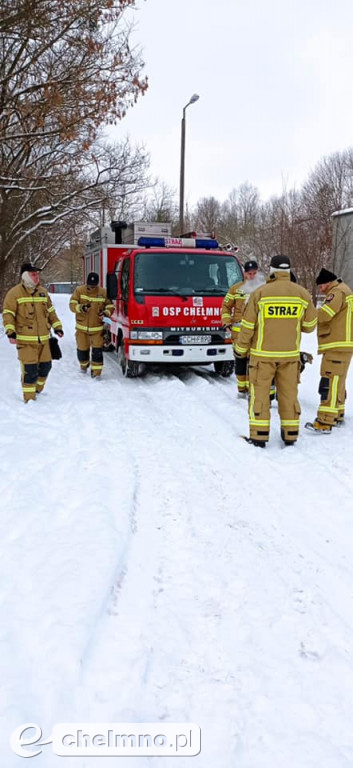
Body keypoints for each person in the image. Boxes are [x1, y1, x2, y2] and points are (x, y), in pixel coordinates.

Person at [235, 254, 317, 448]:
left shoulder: (260, 293)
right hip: (289, 356)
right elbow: (310, 325)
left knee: (260, 394)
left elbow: (247, 326)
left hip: (262, 357)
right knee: (288, 395)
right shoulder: (302, 294)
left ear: (271, 270)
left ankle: (259, 435)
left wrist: (240, 349)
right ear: (288, 270)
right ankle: (290, 434)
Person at [2, 262, 63, 402]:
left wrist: (57, 326)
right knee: (30, 370)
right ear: (26, 276)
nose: (37, 277)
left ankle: (38, 389)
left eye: (37, 274)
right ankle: (29, 400)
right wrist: (10, 331)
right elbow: (8, 314)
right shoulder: (14, 293)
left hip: (44, 340)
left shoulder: (43, 292)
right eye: (33, 274)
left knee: (46, 367)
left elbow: (51, 311)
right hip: (26, 342)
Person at [305, 267, 353, 433]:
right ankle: (337, 414)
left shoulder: (337, 292)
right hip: (343, 345)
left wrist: (309, 315)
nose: (320, 290)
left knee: (329, 382)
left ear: (326, 283)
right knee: (338, 381)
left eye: (320, 287)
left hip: (336, 344)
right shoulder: (345, 290)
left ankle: (325, 421)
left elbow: (325, 314)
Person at [221, 259, 261, 397]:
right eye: (249, 273)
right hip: (239, 332)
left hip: (257, 331)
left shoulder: (263, 288)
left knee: (254, 361)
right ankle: (241, 389)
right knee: (240, 360)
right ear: (244, 273)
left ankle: (252, 389)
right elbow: (226, 306)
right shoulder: (235, 289)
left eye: (254, 273)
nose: (252, 276)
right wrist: (226, 323)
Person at [69, 272, 115, 377]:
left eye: (94, 285)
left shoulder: (103, 292)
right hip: (81, 329)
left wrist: (105, 313)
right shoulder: (79, 290)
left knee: (97, 352)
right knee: (82, 350)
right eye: (90, 285)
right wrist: (81, 308)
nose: (92, 287)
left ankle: (96, 373)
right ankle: (83, 366)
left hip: (97, 328)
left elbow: (110, 306)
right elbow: (72, 304)